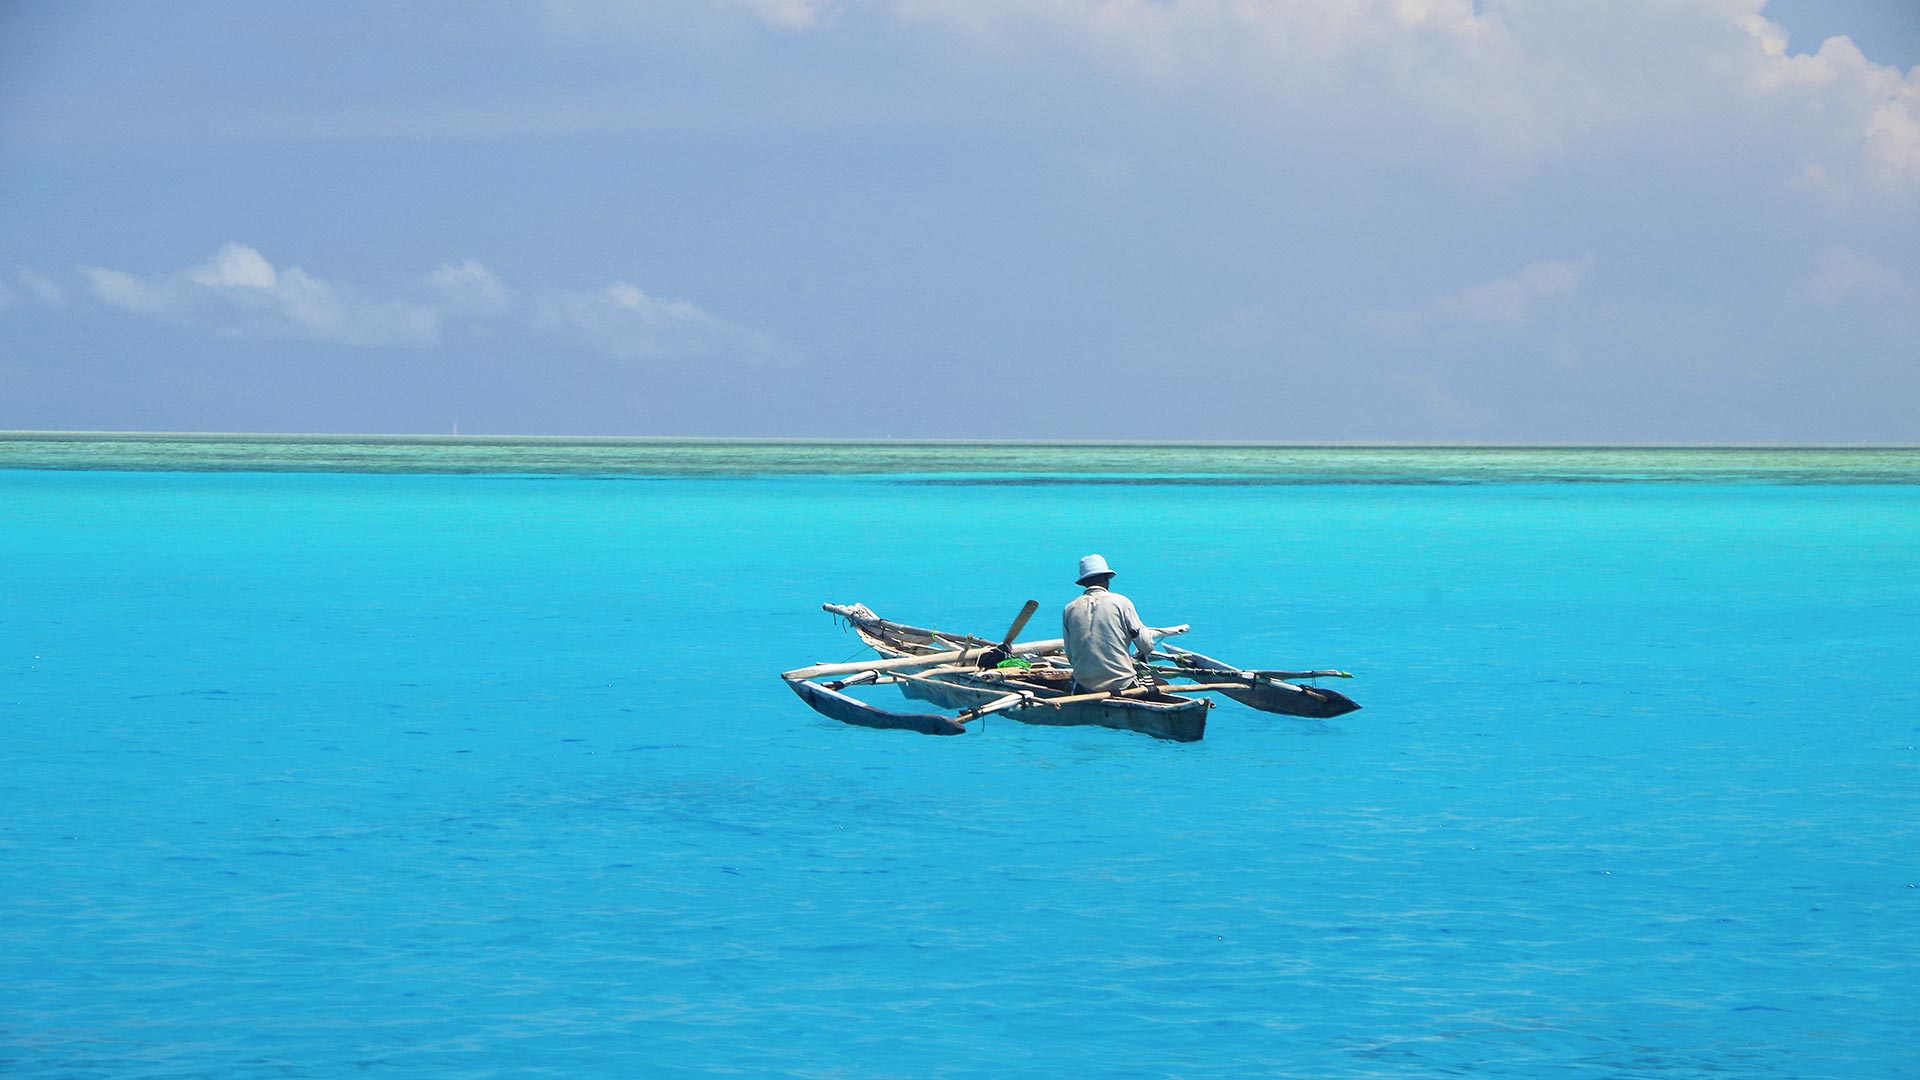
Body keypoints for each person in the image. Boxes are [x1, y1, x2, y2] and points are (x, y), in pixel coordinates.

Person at [1061, 554, 1158, 694]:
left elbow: (1070, 655)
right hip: (1121, 682)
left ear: (1084, 583)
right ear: (1106, 578)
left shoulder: (1070, 608)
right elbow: (1145, 645)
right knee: (1158, 685)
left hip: (1085, 684)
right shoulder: (1121, 602)